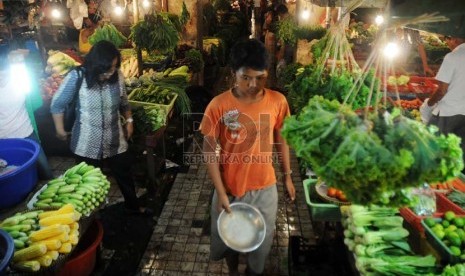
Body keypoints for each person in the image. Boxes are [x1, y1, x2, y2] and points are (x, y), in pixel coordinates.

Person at [201, 38, 296, 276]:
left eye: (260, 77)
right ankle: (233, 270)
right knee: (228, 240)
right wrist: (221, 193)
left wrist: (287, 176)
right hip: (229, 188)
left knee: (261, 243)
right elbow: (208, 151)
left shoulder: (278, 101)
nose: (253, 84)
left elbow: (281, 140)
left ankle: (253, 273)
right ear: (233, 73)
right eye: (246, 77)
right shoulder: (218, 105)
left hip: (265, 189)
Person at [50, 40, 152, 216]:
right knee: (88, 183)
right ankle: (92, 217)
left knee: (124, 175)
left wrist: (129, 122)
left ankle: (133, 207)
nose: (110, 72)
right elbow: (57, 104)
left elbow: (124, 102)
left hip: (115, 138)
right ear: (95, 65)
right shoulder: (77, 77)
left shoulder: (117, 76)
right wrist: (59, 129)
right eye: (107, 68)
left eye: (113, 67)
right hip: (86, 143)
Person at [0, 50, 54, 180]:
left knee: (15, 176)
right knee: (43, 174)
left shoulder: (20, 78)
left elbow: (36, 101)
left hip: (23, 135)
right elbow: (36, 102)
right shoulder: (20, 78)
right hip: (18, 136)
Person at [421, 35, 465, 168]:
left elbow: (441, 91)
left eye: (448, 39)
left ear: (455, 39)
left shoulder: (452, 57)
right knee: (457, 157)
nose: (447, 42)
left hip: (448, 113)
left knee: (430, 151)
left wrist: (429, 104)